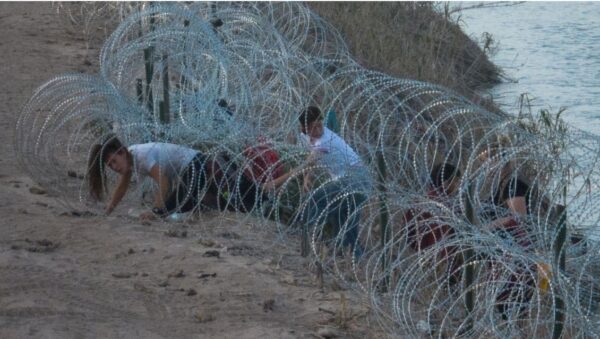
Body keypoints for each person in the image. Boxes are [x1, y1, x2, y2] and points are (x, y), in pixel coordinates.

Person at [87, 135, 292, 219]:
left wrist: (156, 211)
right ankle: (263, 206)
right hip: (198, 168)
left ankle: (271, 203)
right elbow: (122, 187)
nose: (113, 168)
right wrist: (109, 210)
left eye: (113, 161)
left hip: (197, 166)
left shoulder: (140, 155)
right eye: (109, 166)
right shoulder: (132, 156)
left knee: (177, 203)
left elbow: (164, 181)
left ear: (122, 152)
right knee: (227, 200)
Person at [297, 106, 372, 257]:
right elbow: (313, 159)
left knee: (317, 201)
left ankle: (303, 236)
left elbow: (310, 160)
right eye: (313, 127)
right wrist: (307, 177)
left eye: (320, 125)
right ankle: (352, 254)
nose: (318, 130)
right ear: (304, 128)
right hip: (347, 179)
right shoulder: (306, 137)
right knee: (343, 218)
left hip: (357, 177)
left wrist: (277, 183)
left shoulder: (325, 141)